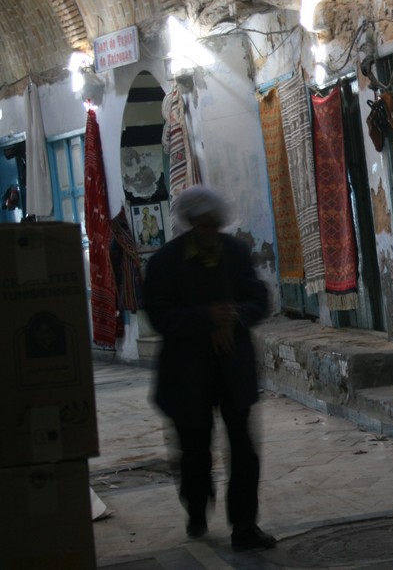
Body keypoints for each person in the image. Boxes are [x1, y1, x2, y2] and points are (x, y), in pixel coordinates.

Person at [142, 185, 276, 552]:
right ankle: (197, 506)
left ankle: (245, 526)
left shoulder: (234, 252)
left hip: (232, 369)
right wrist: (205, 318)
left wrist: (232, 317)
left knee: (243, 451)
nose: (209, 233)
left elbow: (258, 299)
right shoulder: (165, 263)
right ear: (191, 225)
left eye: (213, 226)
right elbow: (160, 315)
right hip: (187, 374)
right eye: (202, 226)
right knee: (195, 452)